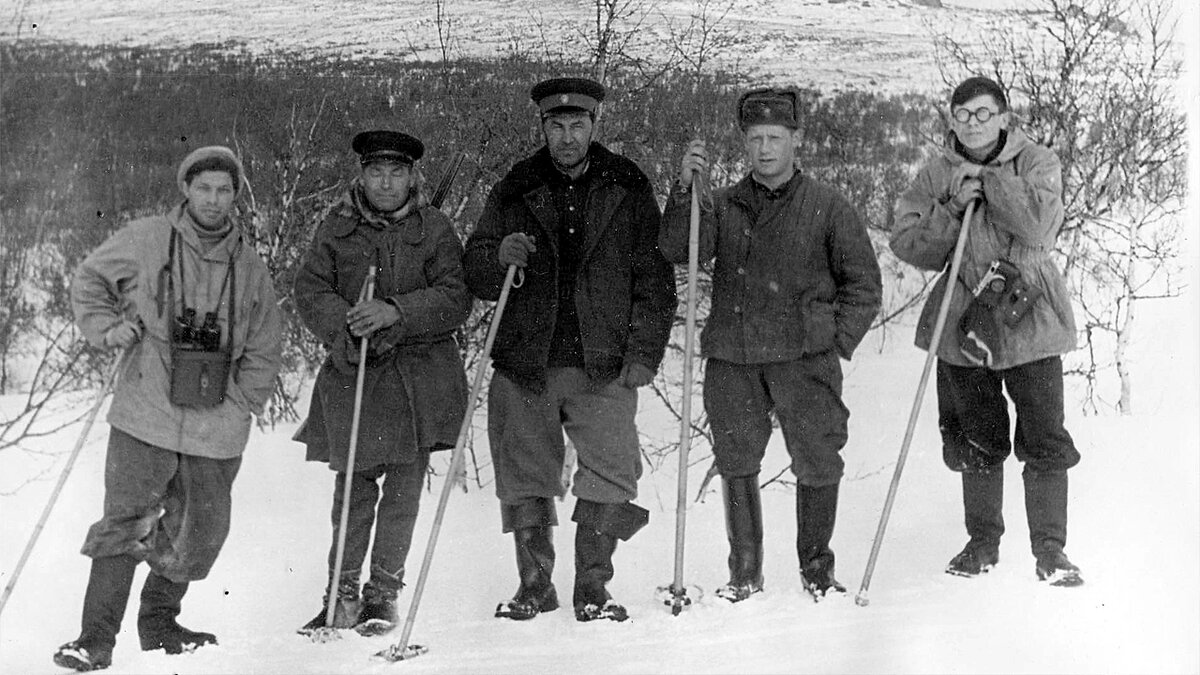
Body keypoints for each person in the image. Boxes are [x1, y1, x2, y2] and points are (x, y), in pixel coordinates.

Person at [57, 146, 283, 671]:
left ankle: (160, 624)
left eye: (224, 190)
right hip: (146, 409)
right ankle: (95, 639)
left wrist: (242, 403)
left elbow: (266, 346)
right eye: (203, 188)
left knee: (200, 529)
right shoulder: (148, 237)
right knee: (125, 523)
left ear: (235, 196)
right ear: (186, 189)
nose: (213, 199)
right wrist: (108, 328)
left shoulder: (249, 266)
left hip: (216, 422)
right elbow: (89, 278)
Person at [463, 77, 676, 623]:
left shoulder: (626, 185)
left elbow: (654, 278)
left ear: (594, 125)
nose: (566, 136)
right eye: (555, 126)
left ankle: (592, 587)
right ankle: (534, 586)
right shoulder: (516, 186)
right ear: (542, 128)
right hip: (525, 359)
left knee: (610, 470)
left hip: (602, 360)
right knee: (524, 471)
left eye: (577, 124)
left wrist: (644, 353)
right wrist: (497, 255)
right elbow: (478, 267)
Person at [661, 88, 882, 602]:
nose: (764, 148)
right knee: (736, 459)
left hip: (804, 361)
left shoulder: (828, 206)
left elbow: (864, 286)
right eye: (755, 138)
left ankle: (816, 572)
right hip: (733, 359)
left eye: (775, 138)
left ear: (795, 140)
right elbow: (677, 248)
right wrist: (683, 190)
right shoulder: (720, 204)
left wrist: (832, 342)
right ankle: (744, 572)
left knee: (819, 459)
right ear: (744, 142)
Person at [890, 76, 1083, 586]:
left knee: (1043, 437)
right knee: (977, 437)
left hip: (1030, 317)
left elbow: (1040, 225)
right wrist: (952, 207)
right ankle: (982, 545)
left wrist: (991, 182)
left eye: (983, 113)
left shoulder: (1038, 162)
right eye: (962, 114)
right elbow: (908, 243)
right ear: (951, 121)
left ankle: (1050, 552)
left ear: (1003, 117)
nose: (972, 123)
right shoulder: (935, 174)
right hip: (962, 323)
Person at [293, 130, 471, 633]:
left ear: (412, 176)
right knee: (352, 491)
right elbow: (310, 288)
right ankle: (341, 594)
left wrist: (396, 310)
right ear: (362, 175)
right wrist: (349, 323)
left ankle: (382, 595)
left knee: (403, 493)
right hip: (358, 375)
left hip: (419, 380)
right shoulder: (338, 226)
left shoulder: (434, 228)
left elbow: (455, 296)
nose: (386, 183)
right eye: (376, 172)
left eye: (397, 173)